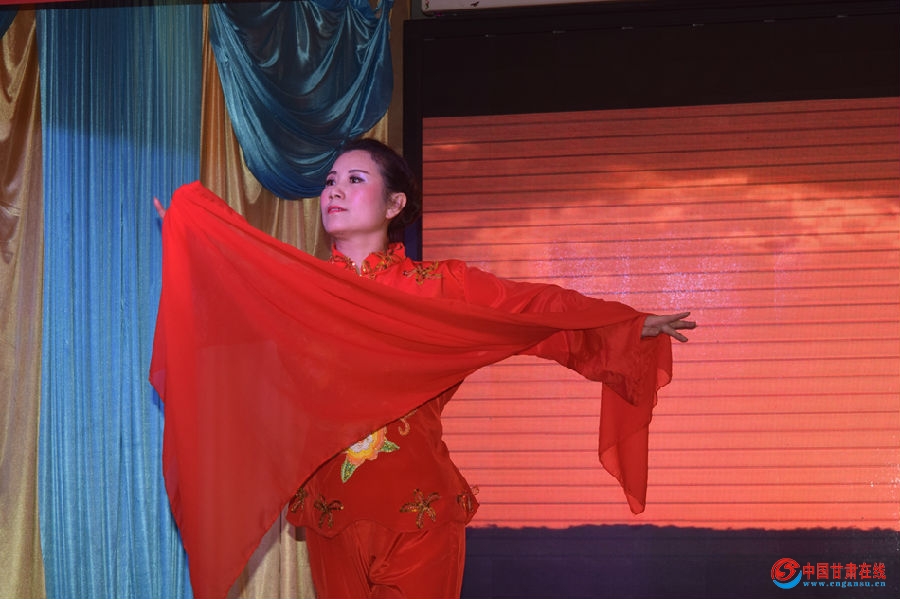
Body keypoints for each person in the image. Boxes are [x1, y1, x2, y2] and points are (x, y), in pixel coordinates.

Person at [152, 138, 694, 599]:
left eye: (355, 179)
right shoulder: (301, 294)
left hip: (420, 513)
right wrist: (194, 242)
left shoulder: (440, 286)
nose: (334, 190)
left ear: (395, 204)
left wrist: (623, 323)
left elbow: (533, 309)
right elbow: (229, 340)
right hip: (331, 514)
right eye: (330, 181)